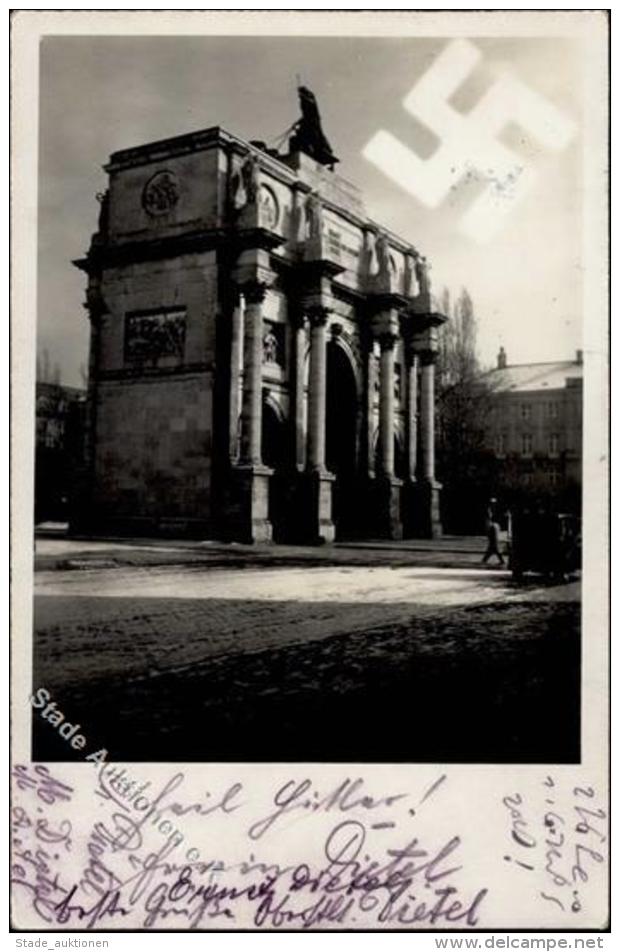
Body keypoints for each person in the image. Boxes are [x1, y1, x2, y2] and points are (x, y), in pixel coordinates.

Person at [482, 498, 505, 565]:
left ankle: (485, 560)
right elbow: (489, 519)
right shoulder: (490, 510)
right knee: (493, 545)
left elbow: (490, 519)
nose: (493, 504)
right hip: (493, 526)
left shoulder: (493, 510)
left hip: (494, 526)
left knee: (493, 545)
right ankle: (485, 559)